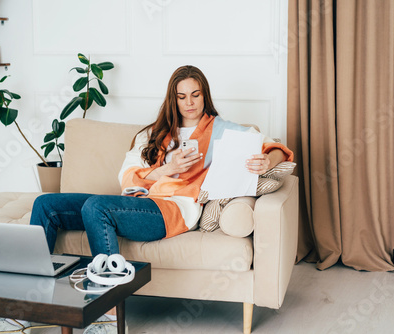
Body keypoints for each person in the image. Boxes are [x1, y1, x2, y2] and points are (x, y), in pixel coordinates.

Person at [27, 65, 293, 334]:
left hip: (173, 211)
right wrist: (168, 168)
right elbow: (127, 178)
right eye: (181, 96)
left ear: (205, 96)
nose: (189, 103)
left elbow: (277, 148)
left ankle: (107, 318)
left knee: (97, 207)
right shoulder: (153, 133)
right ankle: (25, 304)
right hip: (139, 203)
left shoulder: (223, 131)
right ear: (173, 99)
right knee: (46, 205)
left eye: (195, 94)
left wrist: (266, 160)